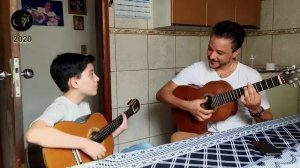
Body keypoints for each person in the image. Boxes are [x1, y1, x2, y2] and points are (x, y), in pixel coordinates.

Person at [156, 20, 273, 142]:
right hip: (202, 135)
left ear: (235, 53)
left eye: (220, 53)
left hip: (237, 138)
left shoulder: (251, 76)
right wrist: (187, 106)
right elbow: (162, 94)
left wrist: (255, 109)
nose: (212, 56)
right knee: (176, 138)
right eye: (210, 49)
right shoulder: (197, 69)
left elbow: (268, 125)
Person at [26, 53, 150, 161]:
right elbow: (33, 134)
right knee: (145, 149)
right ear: (75, 82)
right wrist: (85, 144)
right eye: (91, 74)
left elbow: (91, 144)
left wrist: (115, 132)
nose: (97, 78)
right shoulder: (61, 106)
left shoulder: (84, 106)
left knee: (145, 148)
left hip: (88, 163)